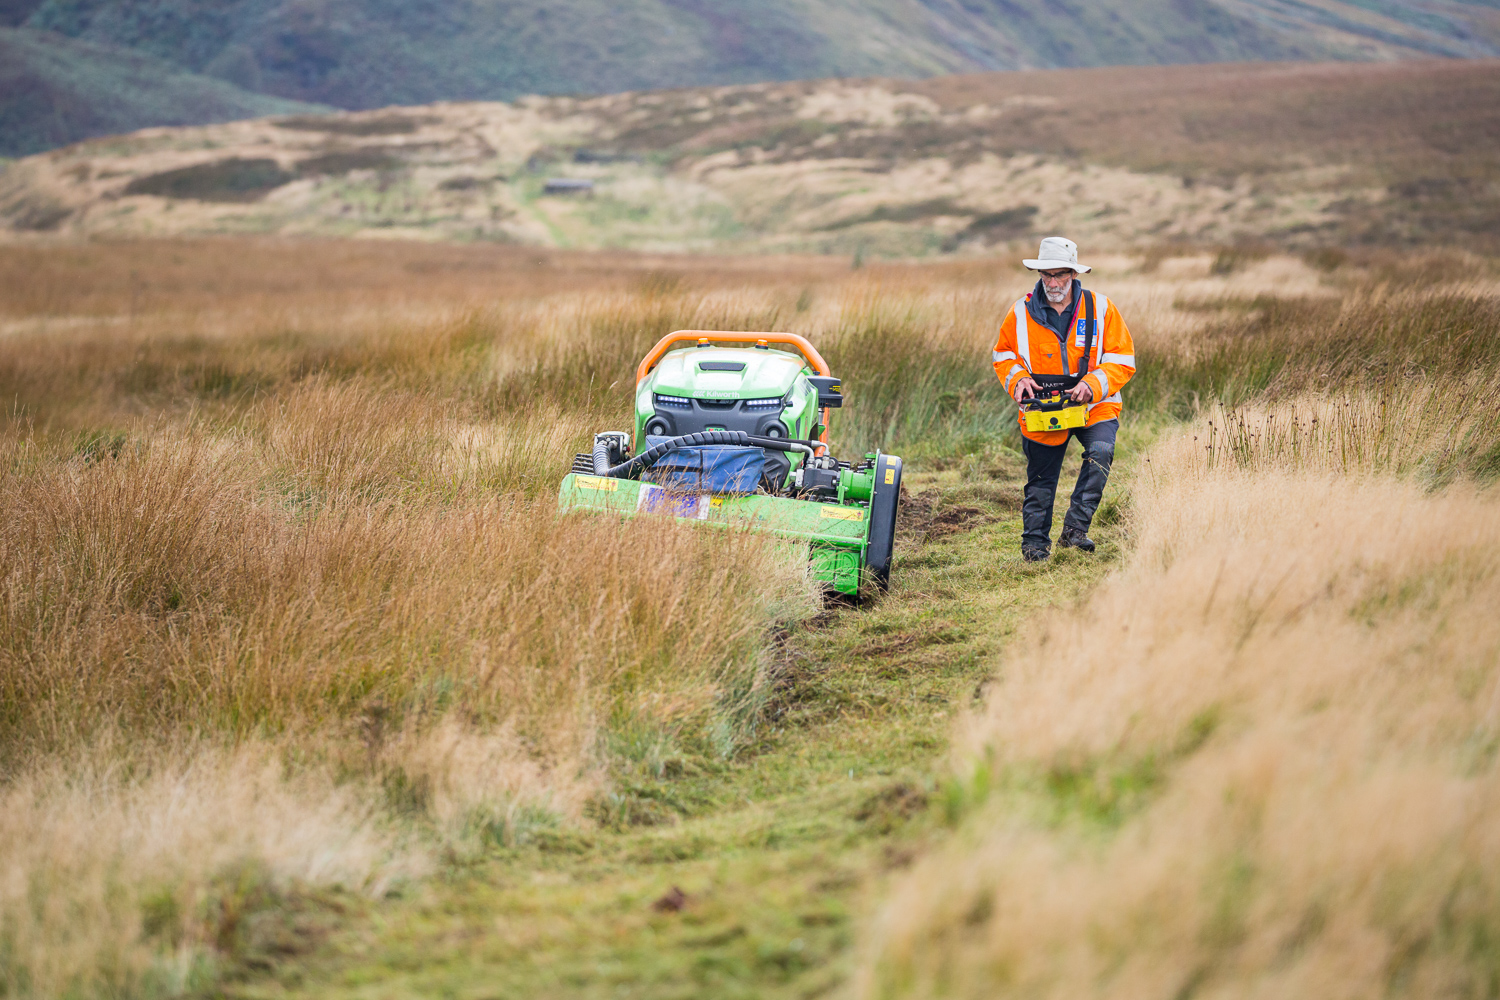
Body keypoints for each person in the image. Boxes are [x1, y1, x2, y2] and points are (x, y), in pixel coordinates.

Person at [991, 237, 1136, 562]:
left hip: (1095, 405)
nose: (1053, 283)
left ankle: (1074, 533)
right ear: (1040, 274)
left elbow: (1123, 358)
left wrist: (1093, 385)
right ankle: (1035, 548)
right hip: (1042, 408)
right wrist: (1019, 380)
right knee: (1041, 479)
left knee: (1101, 453)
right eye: (1047, 275)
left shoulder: (1101, 308)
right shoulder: (1020, 312)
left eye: (1060, 275)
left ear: (1073, 274)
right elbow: (1003, 356)